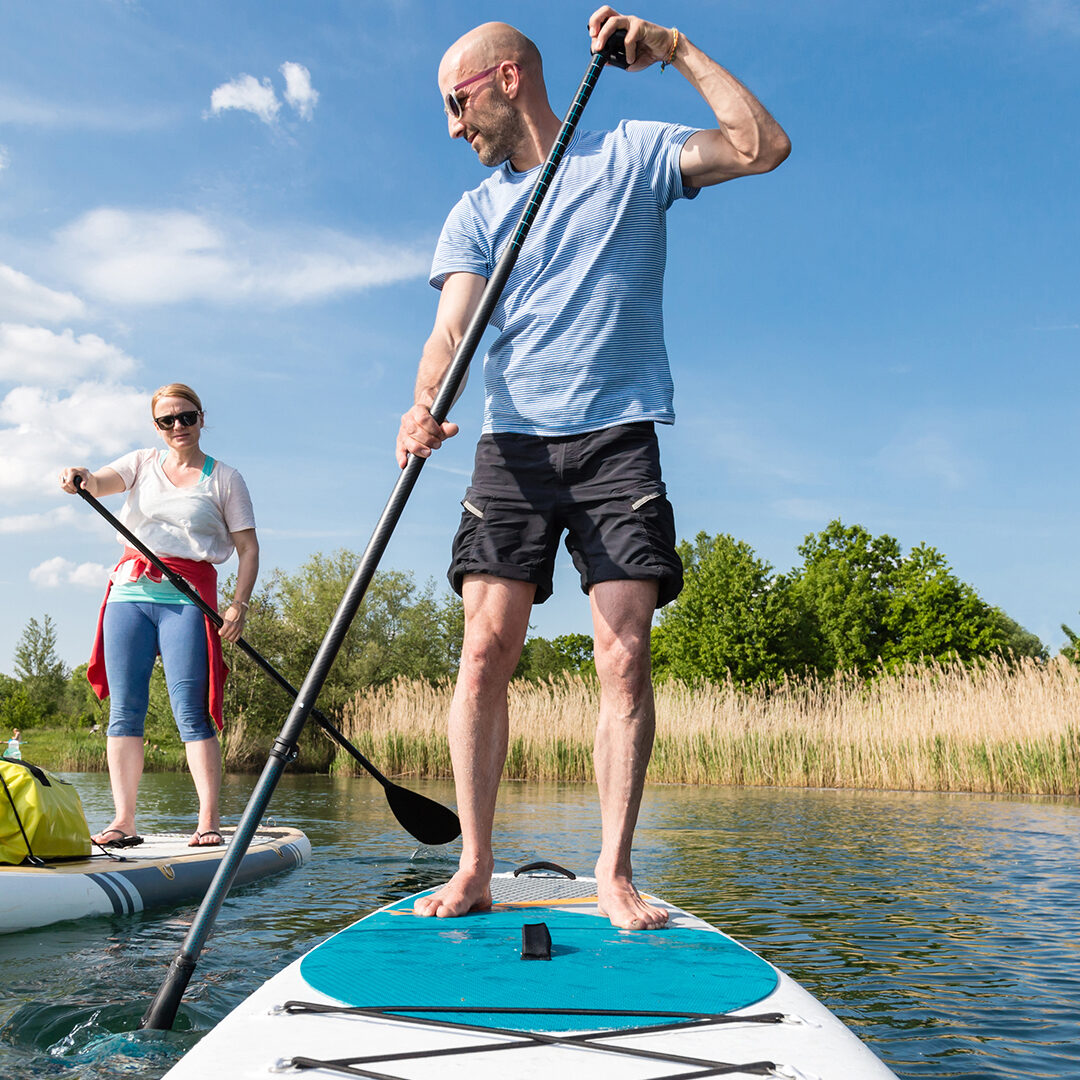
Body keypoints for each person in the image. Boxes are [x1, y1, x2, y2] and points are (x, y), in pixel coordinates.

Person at [398, 8, 789, 929]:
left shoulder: (630, 158)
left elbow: (761, 146)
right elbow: (450, 330)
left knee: (623, 658)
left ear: (503, 77)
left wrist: (675, 50)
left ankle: (613, 872)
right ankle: (477, 867)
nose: (454, 127)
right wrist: (424, 403)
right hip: (513, 447)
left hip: (617, 441)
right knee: (485, 651)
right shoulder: (479, 208)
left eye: (456, 103)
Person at [59, 383, 259, 848]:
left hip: (187, 600)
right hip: (127, 595)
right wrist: (79, 477)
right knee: (124, 712)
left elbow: (248, 550)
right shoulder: (141, 462)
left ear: (201, 418)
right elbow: (98, 482)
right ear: (156, 426)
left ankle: (207, 821)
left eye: (186, 417)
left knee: (191, 711)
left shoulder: (225, 478)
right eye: (167, 421)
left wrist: (238, 605)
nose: (178, 427)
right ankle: (124, 821)